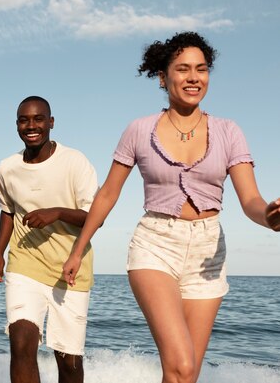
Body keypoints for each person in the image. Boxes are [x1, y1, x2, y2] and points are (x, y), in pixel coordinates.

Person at [62, 32, 280, 383]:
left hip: (208, 252)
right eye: (183, 69)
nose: (194, 77)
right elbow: (107, 194)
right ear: (163, 77)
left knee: (186, 373)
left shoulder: (229, 131)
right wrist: (77, 249)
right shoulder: (139, 129)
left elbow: (251, 200)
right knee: (180, 364)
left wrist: (270, 218)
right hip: (155, 245)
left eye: (202, 69)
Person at [0, 96, 98, 383]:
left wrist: (58, 213)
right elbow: (7, 211)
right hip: (25, 263)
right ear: (17, 126)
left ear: (51, 123)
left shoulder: (75, 161)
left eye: (38, 119)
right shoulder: (7, 168)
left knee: (69, 361)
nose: (31, 125)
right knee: (21, 344)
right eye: (24, 120)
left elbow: (95, 215)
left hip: (70, 268)